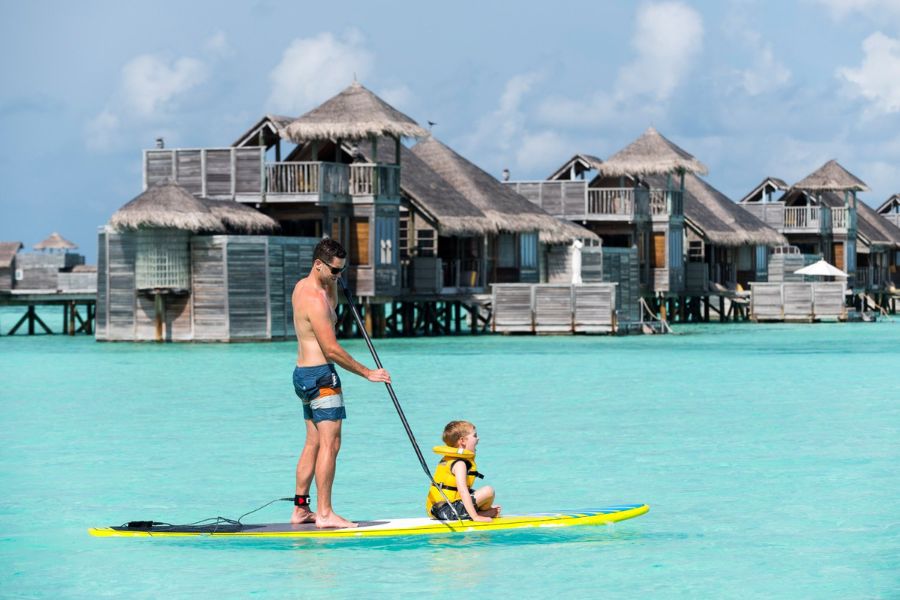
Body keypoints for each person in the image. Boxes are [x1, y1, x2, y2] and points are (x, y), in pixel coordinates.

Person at [291, 238, 391, 529]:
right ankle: (324, 513)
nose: (338, 276)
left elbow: (332, 308)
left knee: (313, 442)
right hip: (322, 376)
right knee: (330, 445)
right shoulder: (314, 299)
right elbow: (331, 348)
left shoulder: (303, 287)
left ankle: (300, 509)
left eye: (342, 271)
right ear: (318, 264)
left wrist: (332, 282)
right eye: (334, 271)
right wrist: (368, 372)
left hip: (302, 374)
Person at [425, 420, 501, 522]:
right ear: (463, 441)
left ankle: (481, 512)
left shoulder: (448, 459)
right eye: (475, 436)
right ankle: (479, 514)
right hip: (447, 511)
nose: (478, 438)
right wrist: (476, 517)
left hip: (438, 510)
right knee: (488, 491)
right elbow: (462, 490)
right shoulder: (459, 464)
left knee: (480, 493)